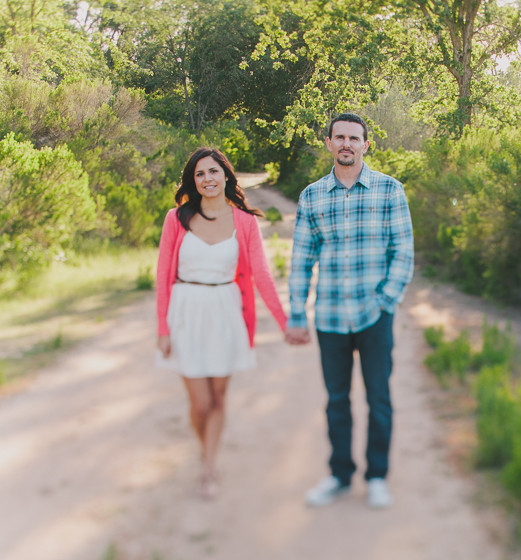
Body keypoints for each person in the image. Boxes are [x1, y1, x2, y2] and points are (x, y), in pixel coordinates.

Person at [285, 113, 414, 509]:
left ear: (365, 145)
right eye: (339, 137)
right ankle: (340, 474)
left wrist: (385, 301)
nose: (346, 143)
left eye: (354, 138)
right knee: (336, 399)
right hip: (330, 316)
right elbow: (301, 259)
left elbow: (403, 253)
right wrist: (296, 313)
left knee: (379, 398)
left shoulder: (390, 190)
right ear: (328, 143)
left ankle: (377, 476)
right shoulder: (311, 196)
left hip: (375, 315)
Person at [156, 147, 288, 499]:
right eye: (200, 174)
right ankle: (206, 452)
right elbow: (162, 276)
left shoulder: (244, 221)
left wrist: (284, 321)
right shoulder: (177, 218)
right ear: (193, 181)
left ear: (227, 176)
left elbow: (261, 274)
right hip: (186, 312)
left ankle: (208, 466)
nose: (207, 179)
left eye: (213, 172)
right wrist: (163, 329)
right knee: (199, 403)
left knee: (218, 397)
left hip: (225, 312)